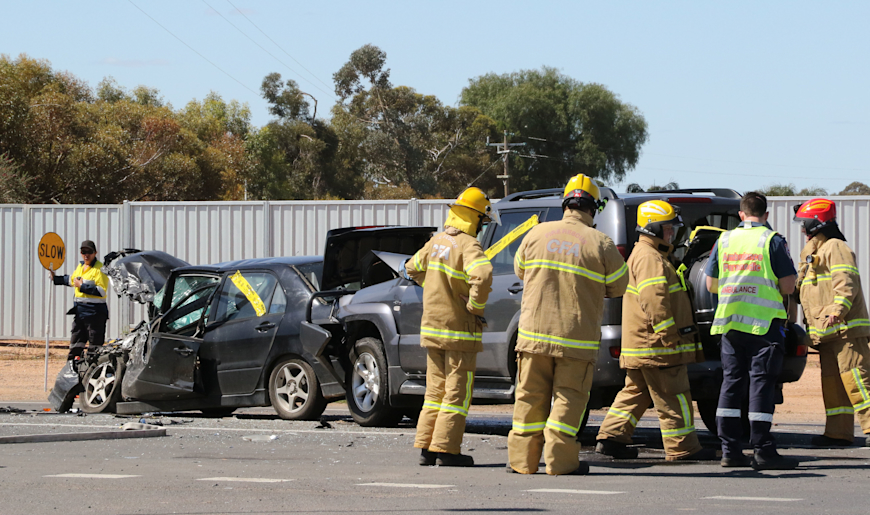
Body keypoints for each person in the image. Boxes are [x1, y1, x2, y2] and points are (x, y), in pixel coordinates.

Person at [507, 174, 629, 475]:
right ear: (594, 208)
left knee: (529, 398)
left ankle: (522, 461)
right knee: (568, 398)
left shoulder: (536, 233)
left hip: (533, 337)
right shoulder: (601, 243)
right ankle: (560, 461)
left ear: (565, 204)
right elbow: (619, 286)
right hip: (575, 340)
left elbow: (520, 270)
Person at [596, 201, 717, 461]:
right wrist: (669, 335)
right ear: (653, 228)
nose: (671, 233)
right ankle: (683, 447)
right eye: (668, 228)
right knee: (674, 393)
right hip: (656, 345)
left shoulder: (647, 254)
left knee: (636, 392)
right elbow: (654, 300)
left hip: (644, 344)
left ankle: (612, 438)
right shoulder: (650, 258)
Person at [705, 192, 799, 470]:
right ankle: (763, 450)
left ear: (741, 214)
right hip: (764, 325)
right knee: (761, 385)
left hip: (731, 324)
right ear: (766, 215)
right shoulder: (772, 240)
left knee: (731, 384)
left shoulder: (724, 240)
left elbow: (710, 284)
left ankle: (730, 451)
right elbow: (788, 285)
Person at [405, 187, 495, 467]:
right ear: (475, 218)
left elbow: (411, 267)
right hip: (459, 332)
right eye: (482, 222)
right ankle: (446, 450)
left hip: (432, 330)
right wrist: (474, 306)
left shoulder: (436, 242)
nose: (482, 228)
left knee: (434, 392)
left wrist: (436, 286)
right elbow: (483, 274)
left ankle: (426, 448)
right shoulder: (469, 245)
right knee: (456, 392)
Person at [793, 198, 870, 447]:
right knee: (833, 385)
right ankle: (838, 433)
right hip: (826, 331)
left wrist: (838, 310)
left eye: (804, 224)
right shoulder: (813, 253)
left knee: (857, 380)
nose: (802, 229)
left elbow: (846, 281)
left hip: (845, 329)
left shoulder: (835, 247)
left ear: (817, 223)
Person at [50, 240, 110, 361]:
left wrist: (82, 286)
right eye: (83, 252)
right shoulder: (81, 267)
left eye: (89, 252)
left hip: (95, 315)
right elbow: (71, 280)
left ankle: (92, 371)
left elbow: (102, 291)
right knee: (75, 345)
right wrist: (55, 278)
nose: (86, 255)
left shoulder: (100, 269)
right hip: (80, 314)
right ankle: (72, 368)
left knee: (94, 349)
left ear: (95, 253)